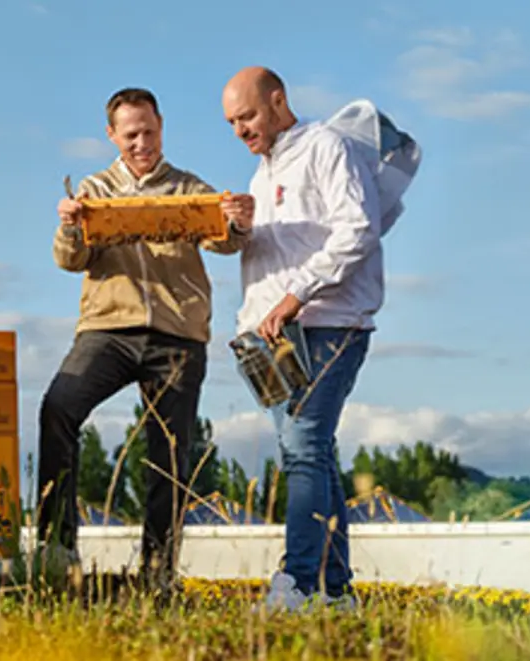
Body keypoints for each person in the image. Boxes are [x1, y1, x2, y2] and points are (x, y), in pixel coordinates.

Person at [37, 87, 255, 586]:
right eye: (131, 134)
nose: (142, 143)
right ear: (112, 135)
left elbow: (222, 242)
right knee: (58, 408)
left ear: (161, 128)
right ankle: (56, 550)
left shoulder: (187, 188)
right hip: (108, 329)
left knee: (171, 451)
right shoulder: (92, 190)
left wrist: (237, 224)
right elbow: (69, 261)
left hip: (178, 334)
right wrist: (70, 225)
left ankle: (158, 572)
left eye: (149, 132)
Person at [220, 66, 384, 609]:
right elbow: (272, 253)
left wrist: (296, 296)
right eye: (231, 123)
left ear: (278, 100)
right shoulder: (259, 178)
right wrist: (240, 230)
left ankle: (294, 583)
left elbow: (357, 228)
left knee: (303, 450)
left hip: (328, 325)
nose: (240, 130)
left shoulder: (327, 147)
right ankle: (337, 592)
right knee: (313, 453)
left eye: (246, 116)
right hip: (268, 340)